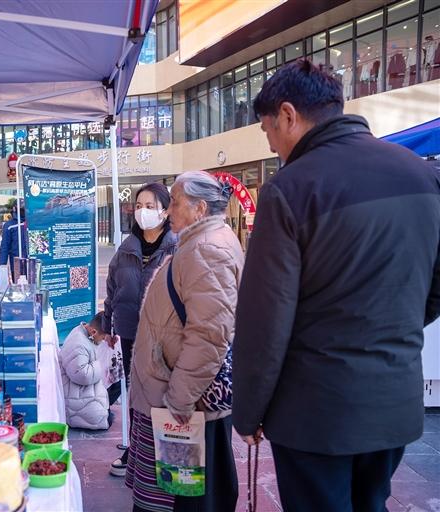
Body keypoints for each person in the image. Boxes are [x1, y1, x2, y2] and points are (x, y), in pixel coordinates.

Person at [232, 59, 440, 511]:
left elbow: (264, 320)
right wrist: (396, 323)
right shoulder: (423, 175)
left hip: (315, 412)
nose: (271, 145)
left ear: (288, 115)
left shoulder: (290, 189)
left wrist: (247, 411)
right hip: (394, 400)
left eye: (268, 131)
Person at [126, 171, 243, 512]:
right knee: (185, 491)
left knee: (184, 495)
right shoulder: (201, 242)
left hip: (186, 399)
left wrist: (179, 400)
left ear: (199, 208)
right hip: (180, 391)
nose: (168, 210)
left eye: (175, 202)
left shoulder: (208, 249)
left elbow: (209, 336)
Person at [103, 183, 177, 477]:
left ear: (165, 211)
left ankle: (168, 457)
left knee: (162, 396)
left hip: (164, 337)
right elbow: (112, 289)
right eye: (138, 206)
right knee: (135, 396)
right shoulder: (126, 248)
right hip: (130, 332)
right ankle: (136, 452)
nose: (142, 211)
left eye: (150, 206)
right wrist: (108, 324)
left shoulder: (176, 247)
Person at [60, 312, 115, 430]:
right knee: (106, 420)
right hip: (77, 396)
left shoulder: (85, 333)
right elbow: (82, 375)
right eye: (103, 338)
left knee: (119, 377)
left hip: (82, 391)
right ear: (94, 332)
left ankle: (106, 407)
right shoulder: (78, 344)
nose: (103, 341)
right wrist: (104, 363)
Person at [0, 205, 27, 276]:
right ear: (14, 208)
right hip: (17, 265)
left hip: (34, 264)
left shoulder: (33, 223)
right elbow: (4, 248)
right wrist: (1, 268)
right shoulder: (9, 226)